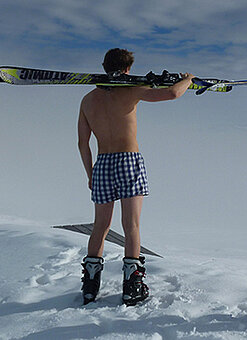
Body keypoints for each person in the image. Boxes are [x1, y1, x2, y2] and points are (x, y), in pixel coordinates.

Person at [77, 48, 194, 306]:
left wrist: (90, 173)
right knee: (131, 226)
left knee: (101, 226)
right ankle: (132, 286)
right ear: (128, 69)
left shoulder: (88, 100)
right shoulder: (131, 91)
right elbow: (173, 93)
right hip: (128, 160)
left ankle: (90, 286)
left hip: (102, 164)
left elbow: (82, 143)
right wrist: (187, 79)